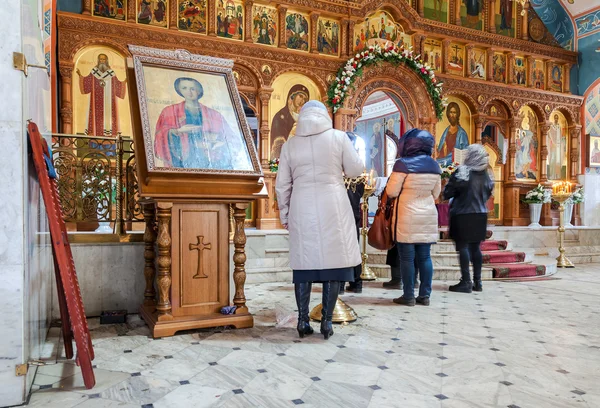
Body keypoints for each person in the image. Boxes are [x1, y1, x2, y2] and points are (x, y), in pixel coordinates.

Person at [276, 101, 363, 339]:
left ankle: (303, 321)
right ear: (325, 115)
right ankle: (326, 322)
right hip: (333, 202)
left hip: (302, 204)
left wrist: (284, 214)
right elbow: (356, 170)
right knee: (333, 263)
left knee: (304, 264)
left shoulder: (291, 144)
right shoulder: (338, 137)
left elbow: (282, 185)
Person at [386, 129, 441, 306]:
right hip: (427, 214)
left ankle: (408, 295)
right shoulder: (434, 165)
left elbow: (391, 191)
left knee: (407, 258)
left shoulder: (402, 164)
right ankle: (425, 295)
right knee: (425, 257)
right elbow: (437, 193)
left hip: (407, 214)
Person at [153, 77, 252, 170]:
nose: (189, 92)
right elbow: (160, 134)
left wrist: (221, 144)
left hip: (210, 161)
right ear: (179, 90)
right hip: (182, 161)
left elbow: (233, 139)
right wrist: (178, 131)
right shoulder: (170, 111)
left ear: (199, 91)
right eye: (184, 88)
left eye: (192, 88)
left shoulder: (214, 115)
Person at [444, 144, 494, 293]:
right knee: (475, 247)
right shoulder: (487, 175)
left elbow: (447, 193)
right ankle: (478, 282)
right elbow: (488, 193)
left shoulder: (463, 172)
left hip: (463, 214)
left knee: (463, 247)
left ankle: (466, 281)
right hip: (480, 215)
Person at [76, 54, 127, 136]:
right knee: (95, 115)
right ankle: (94, 133)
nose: (102, 61)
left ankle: (110, 135)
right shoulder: (94, 72)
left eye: (103, 59)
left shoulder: (111, 73)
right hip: (96, 100)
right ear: (98, 60)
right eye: (100, 59)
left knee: (109, 116)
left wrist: (124, 82)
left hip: (109, 101)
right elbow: (87, 82)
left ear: (106, 61)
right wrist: (80, 76)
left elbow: (118, 85)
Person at [343, 132, 365, 294]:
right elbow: (362, 187)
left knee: (340, 247)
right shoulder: (357, 164)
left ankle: (341, 283)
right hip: (352, 209)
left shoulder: (337, 162)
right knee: (353, 247)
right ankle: (356, 283)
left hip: (341, 211)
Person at [270, 85, 309, 158]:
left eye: (305, 99)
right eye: (300, 96)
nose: (302, 101)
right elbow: (277, 142)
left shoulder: (306, 118)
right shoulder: (280, 116)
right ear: (292, 96)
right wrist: (291, 134)